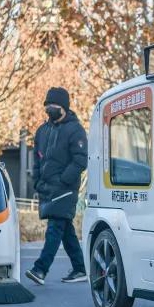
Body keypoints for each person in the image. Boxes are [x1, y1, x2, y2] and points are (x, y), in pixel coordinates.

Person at [25, 87, 88, 285]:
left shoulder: (75, 130)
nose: (49, 108)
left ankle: (40, 269)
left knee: (55, 227)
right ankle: (80, 269)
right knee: (65, 230)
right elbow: (37, 160)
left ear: (64, 107)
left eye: (53, 105)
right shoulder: (42, 131)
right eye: (47, 105)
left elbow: (80, 160)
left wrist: (63, 180)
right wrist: (37, 181)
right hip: (46, 188)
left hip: (65, 189)